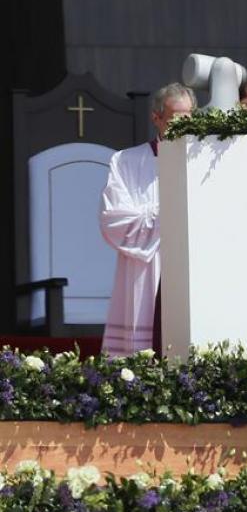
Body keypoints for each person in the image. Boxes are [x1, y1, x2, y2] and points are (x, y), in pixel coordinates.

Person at [99, 83, 196, 356]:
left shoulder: (203, 162)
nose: (183, 125)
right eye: (176, 118)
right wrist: (168, 216)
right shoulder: (126, 161)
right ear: (157, 118)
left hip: (190, 262)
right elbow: (113, 218)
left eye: (189, 117)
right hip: (145, 265)